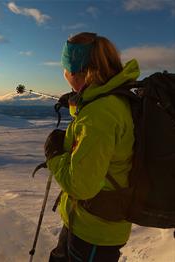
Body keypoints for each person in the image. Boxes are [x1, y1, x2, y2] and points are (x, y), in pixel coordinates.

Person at [44, 32, 139, 261]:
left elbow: (81, 186)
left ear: (78, 72)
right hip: (85, 222)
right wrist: (80, 102)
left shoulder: (100, 113)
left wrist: (54, 154)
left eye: (66, 70)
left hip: (94, 232)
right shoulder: (109, 100)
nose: (65, 75)